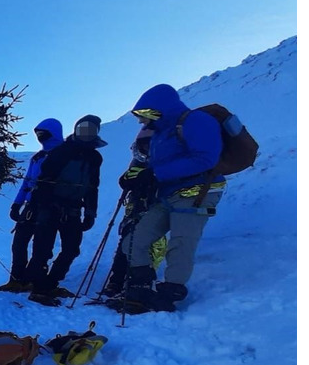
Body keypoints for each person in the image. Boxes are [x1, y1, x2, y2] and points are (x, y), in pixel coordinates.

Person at [121, 83, 224, 311]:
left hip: (197, 192)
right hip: (167, 194)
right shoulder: (160, 133)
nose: (142, 121)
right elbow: (155, 164)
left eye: (145, 114)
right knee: (134, 240)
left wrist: (155, 174)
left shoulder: (197, 121)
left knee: (181, 243)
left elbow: (206, 159)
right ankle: (141, 285)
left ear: (160, 108)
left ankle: (170, 292)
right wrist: (138, 178)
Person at [24, 115, 106, 306]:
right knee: (43, 247)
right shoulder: (61, 151)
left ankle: (50, 283)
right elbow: (44, 179)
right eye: (83, 129)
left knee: (71, 248)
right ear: (76, 130)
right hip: (50, 206)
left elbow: (92, 187)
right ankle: (39, 288)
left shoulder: (95, 157)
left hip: (73, 208)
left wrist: (90, 213)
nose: (86, 133)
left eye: (90, 130)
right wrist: (40, 205)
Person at [0, 118, 64, 292]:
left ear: (53, 133)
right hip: (31, 204)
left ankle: (33, 279)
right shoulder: (37, 157)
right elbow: (27, 182)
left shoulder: (64, 155)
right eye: (38, 134)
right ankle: (17, 278)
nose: (40, 137)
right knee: (19, 242)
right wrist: (17, 204)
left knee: (42, 245)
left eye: (43, 133)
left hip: (50, 205)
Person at [100, 127, 167, 297]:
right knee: (127, 243)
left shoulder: (163, 162)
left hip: (155, 208)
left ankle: (133, 280)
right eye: (144, 145)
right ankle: (118, 280)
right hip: (137, 207)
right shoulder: (139, 162)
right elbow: (125, 180)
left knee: (143, 244)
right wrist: (130, 180)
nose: (147, 149)